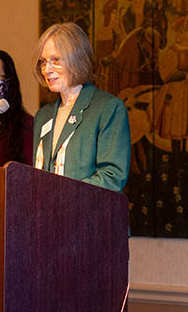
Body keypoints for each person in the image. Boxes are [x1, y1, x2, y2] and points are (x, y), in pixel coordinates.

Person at [32, 22, 131, 192]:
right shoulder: (43, 115)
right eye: (43, 62)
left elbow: (112, 176)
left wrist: (64, 196)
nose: (46, 69)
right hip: (45, 215)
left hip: (85, 214)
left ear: (76, 59)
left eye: (55, 60)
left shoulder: (108, 108)